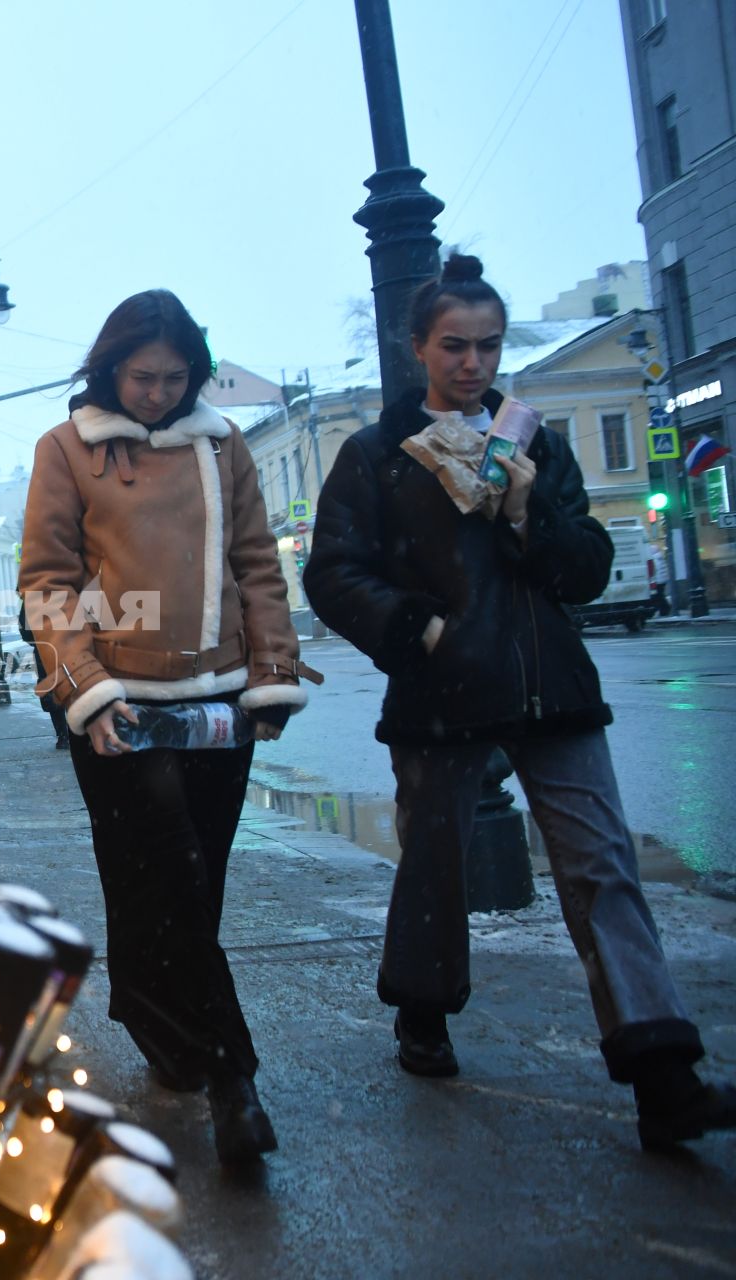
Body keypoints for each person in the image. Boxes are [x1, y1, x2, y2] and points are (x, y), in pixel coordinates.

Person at [303, 254, 735, 1150]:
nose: (472, 364)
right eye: (454, 346)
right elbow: (334, 573)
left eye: (488, 347)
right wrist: (418, 629)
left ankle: (662, 1074)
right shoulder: (377, 453)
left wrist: (529, 514)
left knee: (602, 866)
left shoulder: (530, 438)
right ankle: (423, 1010)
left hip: (551, 686)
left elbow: (585, 568)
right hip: (442, 689)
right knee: (434, 864)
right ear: (418, 345)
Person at [20, 289, 316, 1165]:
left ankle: (153, 1014)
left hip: (216, 699)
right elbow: (48, 579)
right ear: (110, 366)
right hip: (118, 705)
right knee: (170, 877)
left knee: (194, 883)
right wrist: (86, 688)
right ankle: (234, 1080)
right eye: (142, 376)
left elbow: (258, 565)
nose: (156, 393)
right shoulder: (66, 449)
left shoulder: (222, 447)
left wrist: (271, 678)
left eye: (174, 378)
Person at [18, 607, 73, 749]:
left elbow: (25, 631)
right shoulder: (66, 591)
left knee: (52, 689)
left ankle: (63, 735)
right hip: (68, 646)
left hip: (45, 649)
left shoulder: (31, 599)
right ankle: (73, 732)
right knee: (72, 685)